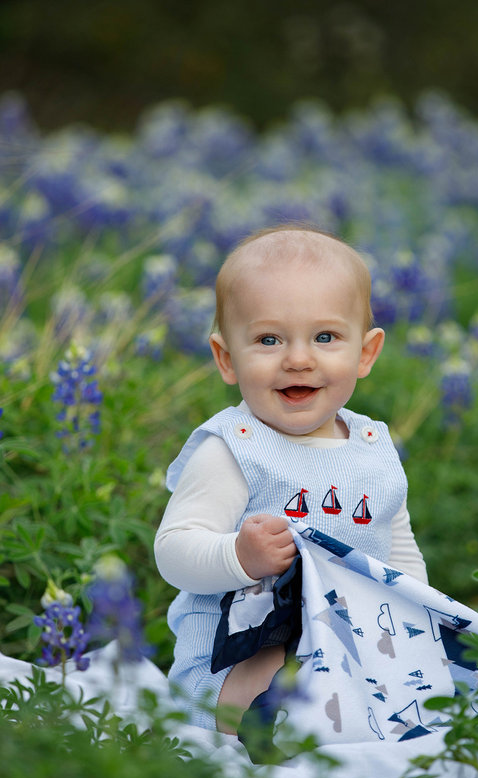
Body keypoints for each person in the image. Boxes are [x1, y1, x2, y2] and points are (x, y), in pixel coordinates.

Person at [154, 224, 428, 735]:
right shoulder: (232, 448)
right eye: (268, 339)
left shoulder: (372, 449)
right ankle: (275, 728)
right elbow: (173, 551)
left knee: (421, 676)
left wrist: (420, 624)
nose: (298, 358)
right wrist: (239, 557)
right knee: (280, 667)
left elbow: (399, 552)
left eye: (325, 337)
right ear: (226, 358)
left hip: (357, 645)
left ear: (366, 353)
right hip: (240, 657)